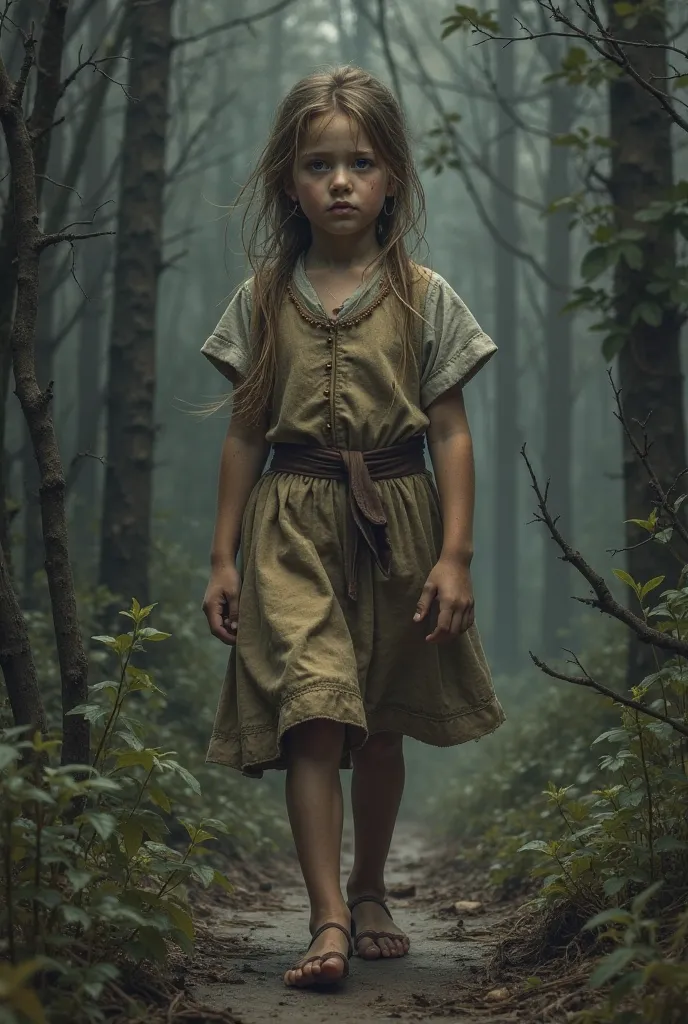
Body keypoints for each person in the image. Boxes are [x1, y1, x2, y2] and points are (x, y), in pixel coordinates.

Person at [200, 65, 505, 990]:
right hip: (289, 526)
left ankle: (371, 888)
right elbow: (247, 431)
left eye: (361, 161)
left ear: (392, 180)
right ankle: (326, 914)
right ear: (288, 183)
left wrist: (454, 556)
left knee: (379, 730)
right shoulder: (264, 298)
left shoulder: (423, 294)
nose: (340, 180)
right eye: (318, 163)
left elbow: (449, 430)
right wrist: (224, 556)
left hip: (399, 526)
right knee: (316, 717)